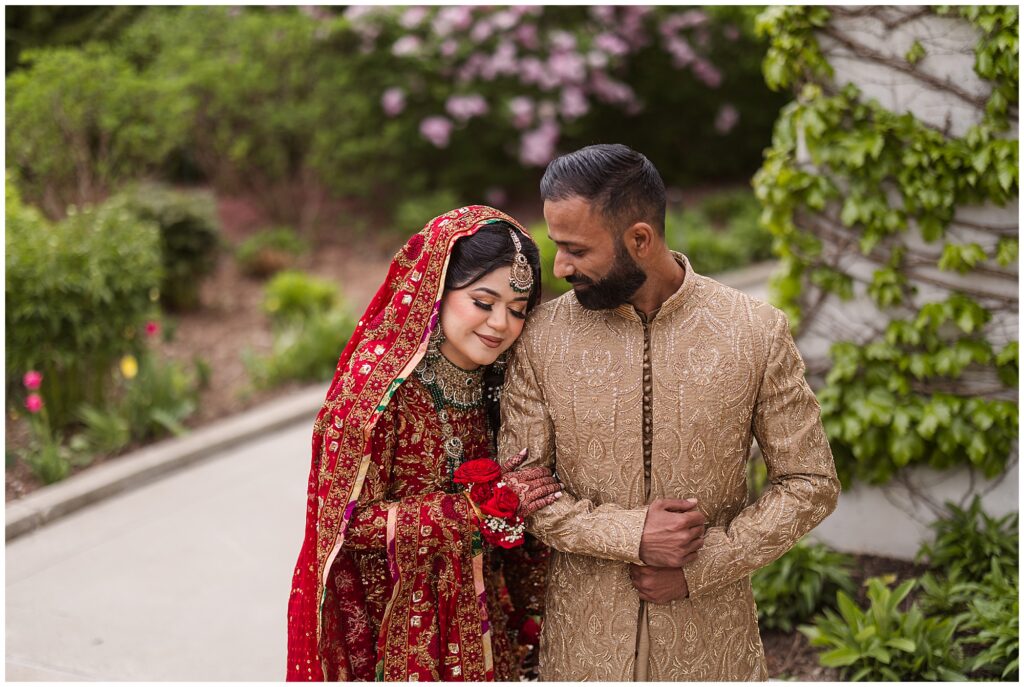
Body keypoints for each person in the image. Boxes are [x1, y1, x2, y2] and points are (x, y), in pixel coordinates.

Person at [497, 144, 841, 680]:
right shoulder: (541, 337)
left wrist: (701, 567)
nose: (559, 266)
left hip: (712, 646)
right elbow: (521, 489)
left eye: (575, 249)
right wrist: (632, 535)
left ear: (640, 239)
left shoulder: (753, 331)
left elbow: (810, 482)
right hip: (583, 651)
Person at [287, 206, 561, 681]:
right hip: (399, 632)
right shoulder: (374, 395)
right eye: (482, 301)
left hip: (485, 618)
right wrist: (477, 510)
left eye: (518, 310)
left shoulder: (509, 386)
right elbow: (346, 526)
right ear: (436, 287)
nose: (501, 324)